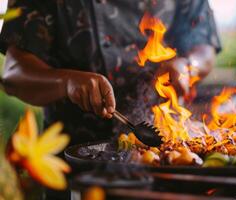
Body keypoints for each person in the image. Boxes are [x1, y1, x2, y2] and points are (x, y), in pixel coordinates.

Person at [0, 0, 221, 145]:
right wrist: (66, 81)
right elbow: (13, 73)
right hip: (76, 161)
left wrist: (187, 66)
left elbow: (203, 47)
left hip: (167, 149)